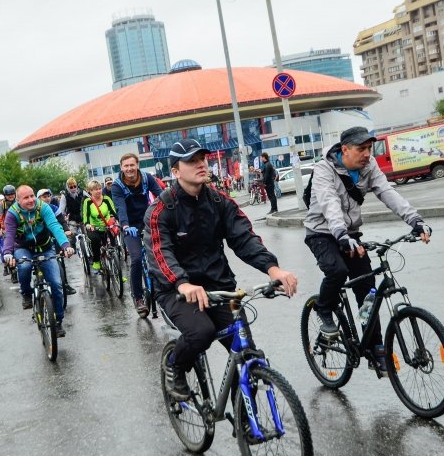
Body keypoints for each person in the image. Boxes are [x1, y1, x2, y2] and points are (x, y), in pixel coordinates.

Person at [144, 138, 298, 401]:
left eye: (202, 158)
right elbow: (160, 253)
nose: (201, 164)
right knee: (201, 333)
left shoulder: (219, 201)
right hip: (177, 290)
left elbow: (244, 238)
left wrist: (272, 268)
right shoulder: (161, 209)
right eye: (191, 161)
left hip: (219, 285)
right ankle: (175, 365)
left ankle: (247, 421)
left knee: (244, 348)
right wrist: (182, 283)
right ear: (175, 171)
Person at [304, 126, 431, 376]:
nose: (367, 154)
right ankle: (323, 307)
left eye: (369, 148)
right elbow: (329, 202)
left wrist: (415, 220)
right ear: (345, 150)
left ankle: (375, 348)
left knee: (368, 291)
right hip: (322, 232)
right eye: (361, 149)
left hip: (348, 234)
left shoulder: (369, 166)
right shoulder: (323, 169)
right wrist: (340, 234)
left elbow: (387, 192)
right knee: (337, 271)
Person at [2, 186, 75, 337]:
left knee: (56, 284)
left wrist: (65, 245)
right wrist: (8, 253)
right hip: (23, 248)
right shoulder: (12, 214)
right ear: (18, 200)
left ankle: (58, 321)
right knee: (25, 266)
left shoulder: (43, 207)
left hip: (45, 247)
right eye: (26, 198)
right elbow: (9, 235)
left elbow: (54, 226)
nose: (30, 200)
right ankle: (26, 294)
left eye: (31, 196)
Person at [111, 153, 164, 317]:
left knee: (161, 252)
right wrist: (125, 225)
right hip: (129, 226)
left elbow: (161, 196)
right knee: (136, 259)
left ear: (137, 165)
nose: (129, 169)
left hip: (148, 221)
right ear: (121, 167)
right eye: (126, 166)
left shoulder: (147, 178)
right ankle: (139, 298)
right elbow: (121, 207)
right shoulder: (117, 185)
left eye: (132, 165)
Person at [38, 187, 76, 295]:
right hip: (42, 239)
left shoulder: (54, 208)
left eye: (48, 196)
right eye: (44, 197)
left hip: (55, 236)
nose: (47, 198)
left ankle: (65, 284)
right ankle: (41, 283)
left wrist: (67, 230)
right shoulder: (36, 210)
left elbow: (62, 221)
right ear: (38, 198)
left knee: (60, 259)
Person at [81, 179, 118, 271]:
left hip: (107, 226)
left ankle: (117, 271)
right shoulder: (88, 201)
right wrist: (87, 224)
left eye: (99, 188)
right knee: (95, 240)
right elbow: (85, 216)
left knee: (112, 246)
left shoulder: (106, 199)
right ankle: (96, 261)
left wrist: (118, 220)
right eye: (95, 189)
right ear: (90, 191)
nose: (98, 191)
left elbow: (114, 211)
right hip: (94, 227)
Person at [0, 185, 17, 277]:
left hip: (20, 227)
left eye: (12, 194)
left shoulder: (19, 201)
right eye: (8, 194)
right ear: (5, 195)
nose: (11, 196)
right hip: (7, 229)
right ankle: (12, 270)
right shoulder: (1, 204)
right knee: (7, 249)